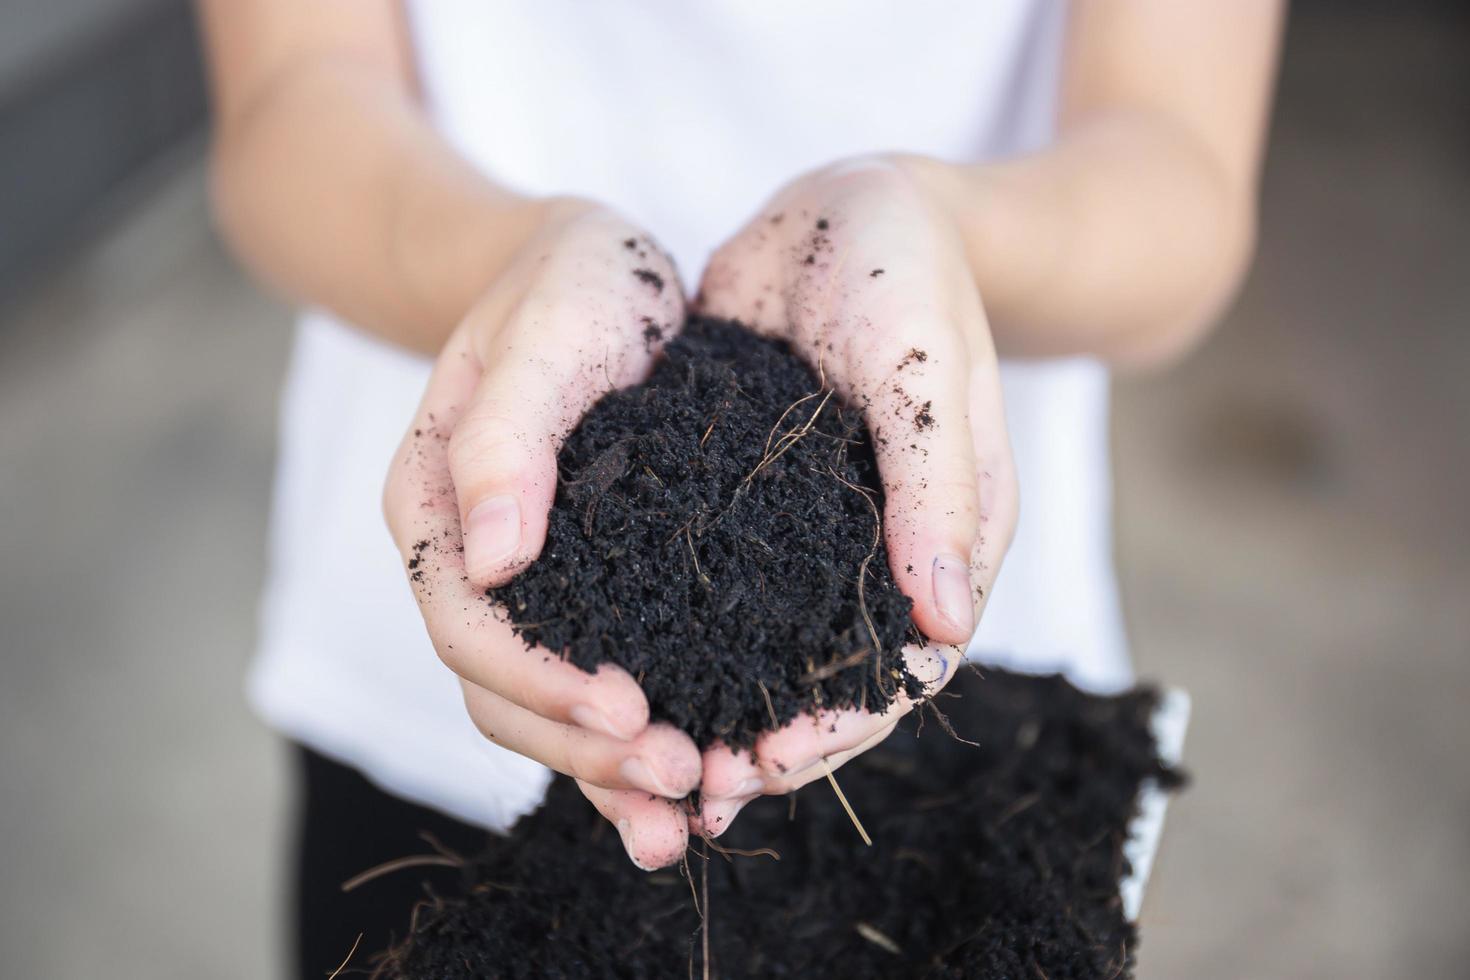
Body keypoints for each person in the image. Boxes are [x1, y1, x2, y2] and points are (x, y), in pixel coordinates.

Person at [198, 0, 1282, 973]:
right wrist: (505, 259)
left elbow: (1180, 166)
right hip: (440, 662)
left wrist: (938, 226)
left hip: (953, 729)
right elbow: (290, 101)